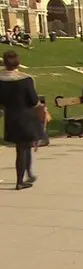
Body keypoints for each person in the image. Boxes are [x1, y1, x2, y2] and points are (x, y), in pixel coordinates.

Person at [0, 50, 43, 190]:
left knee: (24, 147)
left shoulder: (1, 80)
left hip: (11, 117)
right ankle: (20, 181)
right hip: (26, 117)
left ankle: (28, 173)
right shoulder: (26, 79)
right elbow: (33, 101)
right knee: (22, 149)